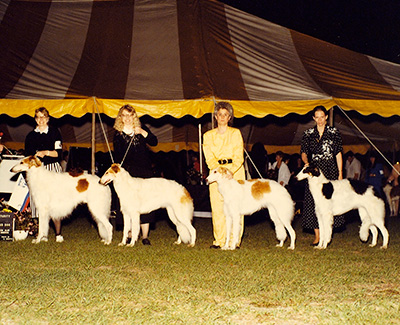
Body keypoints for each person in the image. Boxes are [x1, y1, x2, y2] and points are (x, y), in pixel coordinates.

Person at [113, 104, 158, 245]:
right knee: (128, 204)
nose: (127, 118)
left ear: (134, 116)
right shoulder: (117, 134)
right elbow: (118, 155)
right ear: (120, 117)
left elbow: (154, 142)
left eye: (130, 115)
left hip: (144, 171)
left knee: (145, 202)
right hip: (128, 173)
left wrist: (143, 133)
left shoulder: (142, 128)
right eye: (124, 115)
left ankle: (145, 236)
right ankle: (130, 233)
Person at [300, 105, 345, 246]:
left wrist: (340, 173)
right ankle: (317, 235)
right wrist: (306, 162)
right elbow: (303, 152)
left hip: (330, 170)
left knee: (330, 203)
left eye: (322, 117)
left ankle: (328, 234)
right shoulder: (308, 133)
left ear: (326, 117)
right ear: (314, 118)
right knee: (313, 202)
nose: (319, 120)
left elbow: (338, 153)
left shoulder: (334, 132)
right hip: (314, 172)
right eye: (316, 117)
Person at [203, 102, 245, 249]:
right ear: (215, 117)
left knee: (235, 206)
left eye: (225, 115)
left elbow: (239, 155)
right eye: (219, 114)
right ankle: (219, 240)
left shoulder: (235, 133)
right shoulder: (207, 136)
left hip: (235, 171)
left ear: (229, 117)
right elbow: (208, 157)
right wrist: (219, 171)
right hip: (216, 172)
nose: (222, 117)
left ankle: (235, 240)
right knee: (217, 206)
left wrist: (230, 171)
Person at [25, 107, 64, 242]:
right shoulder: (30, 136)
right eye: (38, 117)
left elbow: (58, 154)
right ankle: (42, 234)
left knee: (55, 201)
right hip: (36, 172)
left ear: (48, 118)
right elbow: (28, 157)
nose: (40, 120)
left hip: (52, 168)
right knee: (38, 203)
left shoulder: (54, 132)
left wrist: (46, 152)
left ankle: (58, 234)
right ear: (35, 119)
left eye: (43, 117)